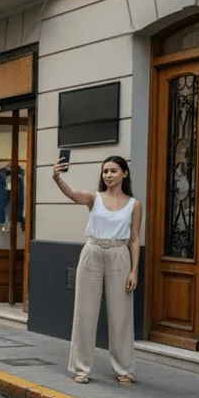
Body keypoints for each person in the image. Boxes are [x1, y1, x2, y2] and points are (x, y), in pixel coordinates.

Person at [52, 154, 143, 385]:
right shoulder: (95, 198)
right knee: (85, 311)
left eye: (113, 171)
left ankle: (124, 369)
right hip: (92, 252)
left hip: (119, 254)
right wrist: (57, 178)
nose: (109, 175)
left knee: (121, 314)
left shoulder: (134, 204)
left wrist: (134, 271)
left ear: (125, 173)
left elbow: (134, 239)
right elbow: (73, 195)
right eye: (105, 171)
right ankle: (81, 368)